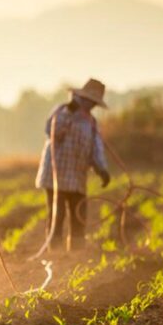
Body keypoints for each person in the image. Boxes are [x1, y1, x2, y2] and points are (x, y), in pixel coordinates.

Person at [35, 78, 111, 252]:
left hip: (77, 177)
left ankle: (75, 256)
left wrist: (102, 169)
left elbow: (95, 149)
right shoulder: (61, 111)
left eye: (94, 103)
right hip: (55, 175)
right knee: (57, 215)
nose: (91, 105)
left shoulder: (91, 123)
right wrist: (69, 112)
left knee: (79, 216)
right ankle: (54, 255)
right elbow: (51, 131)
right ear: (81, 98)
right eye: (89, 101)